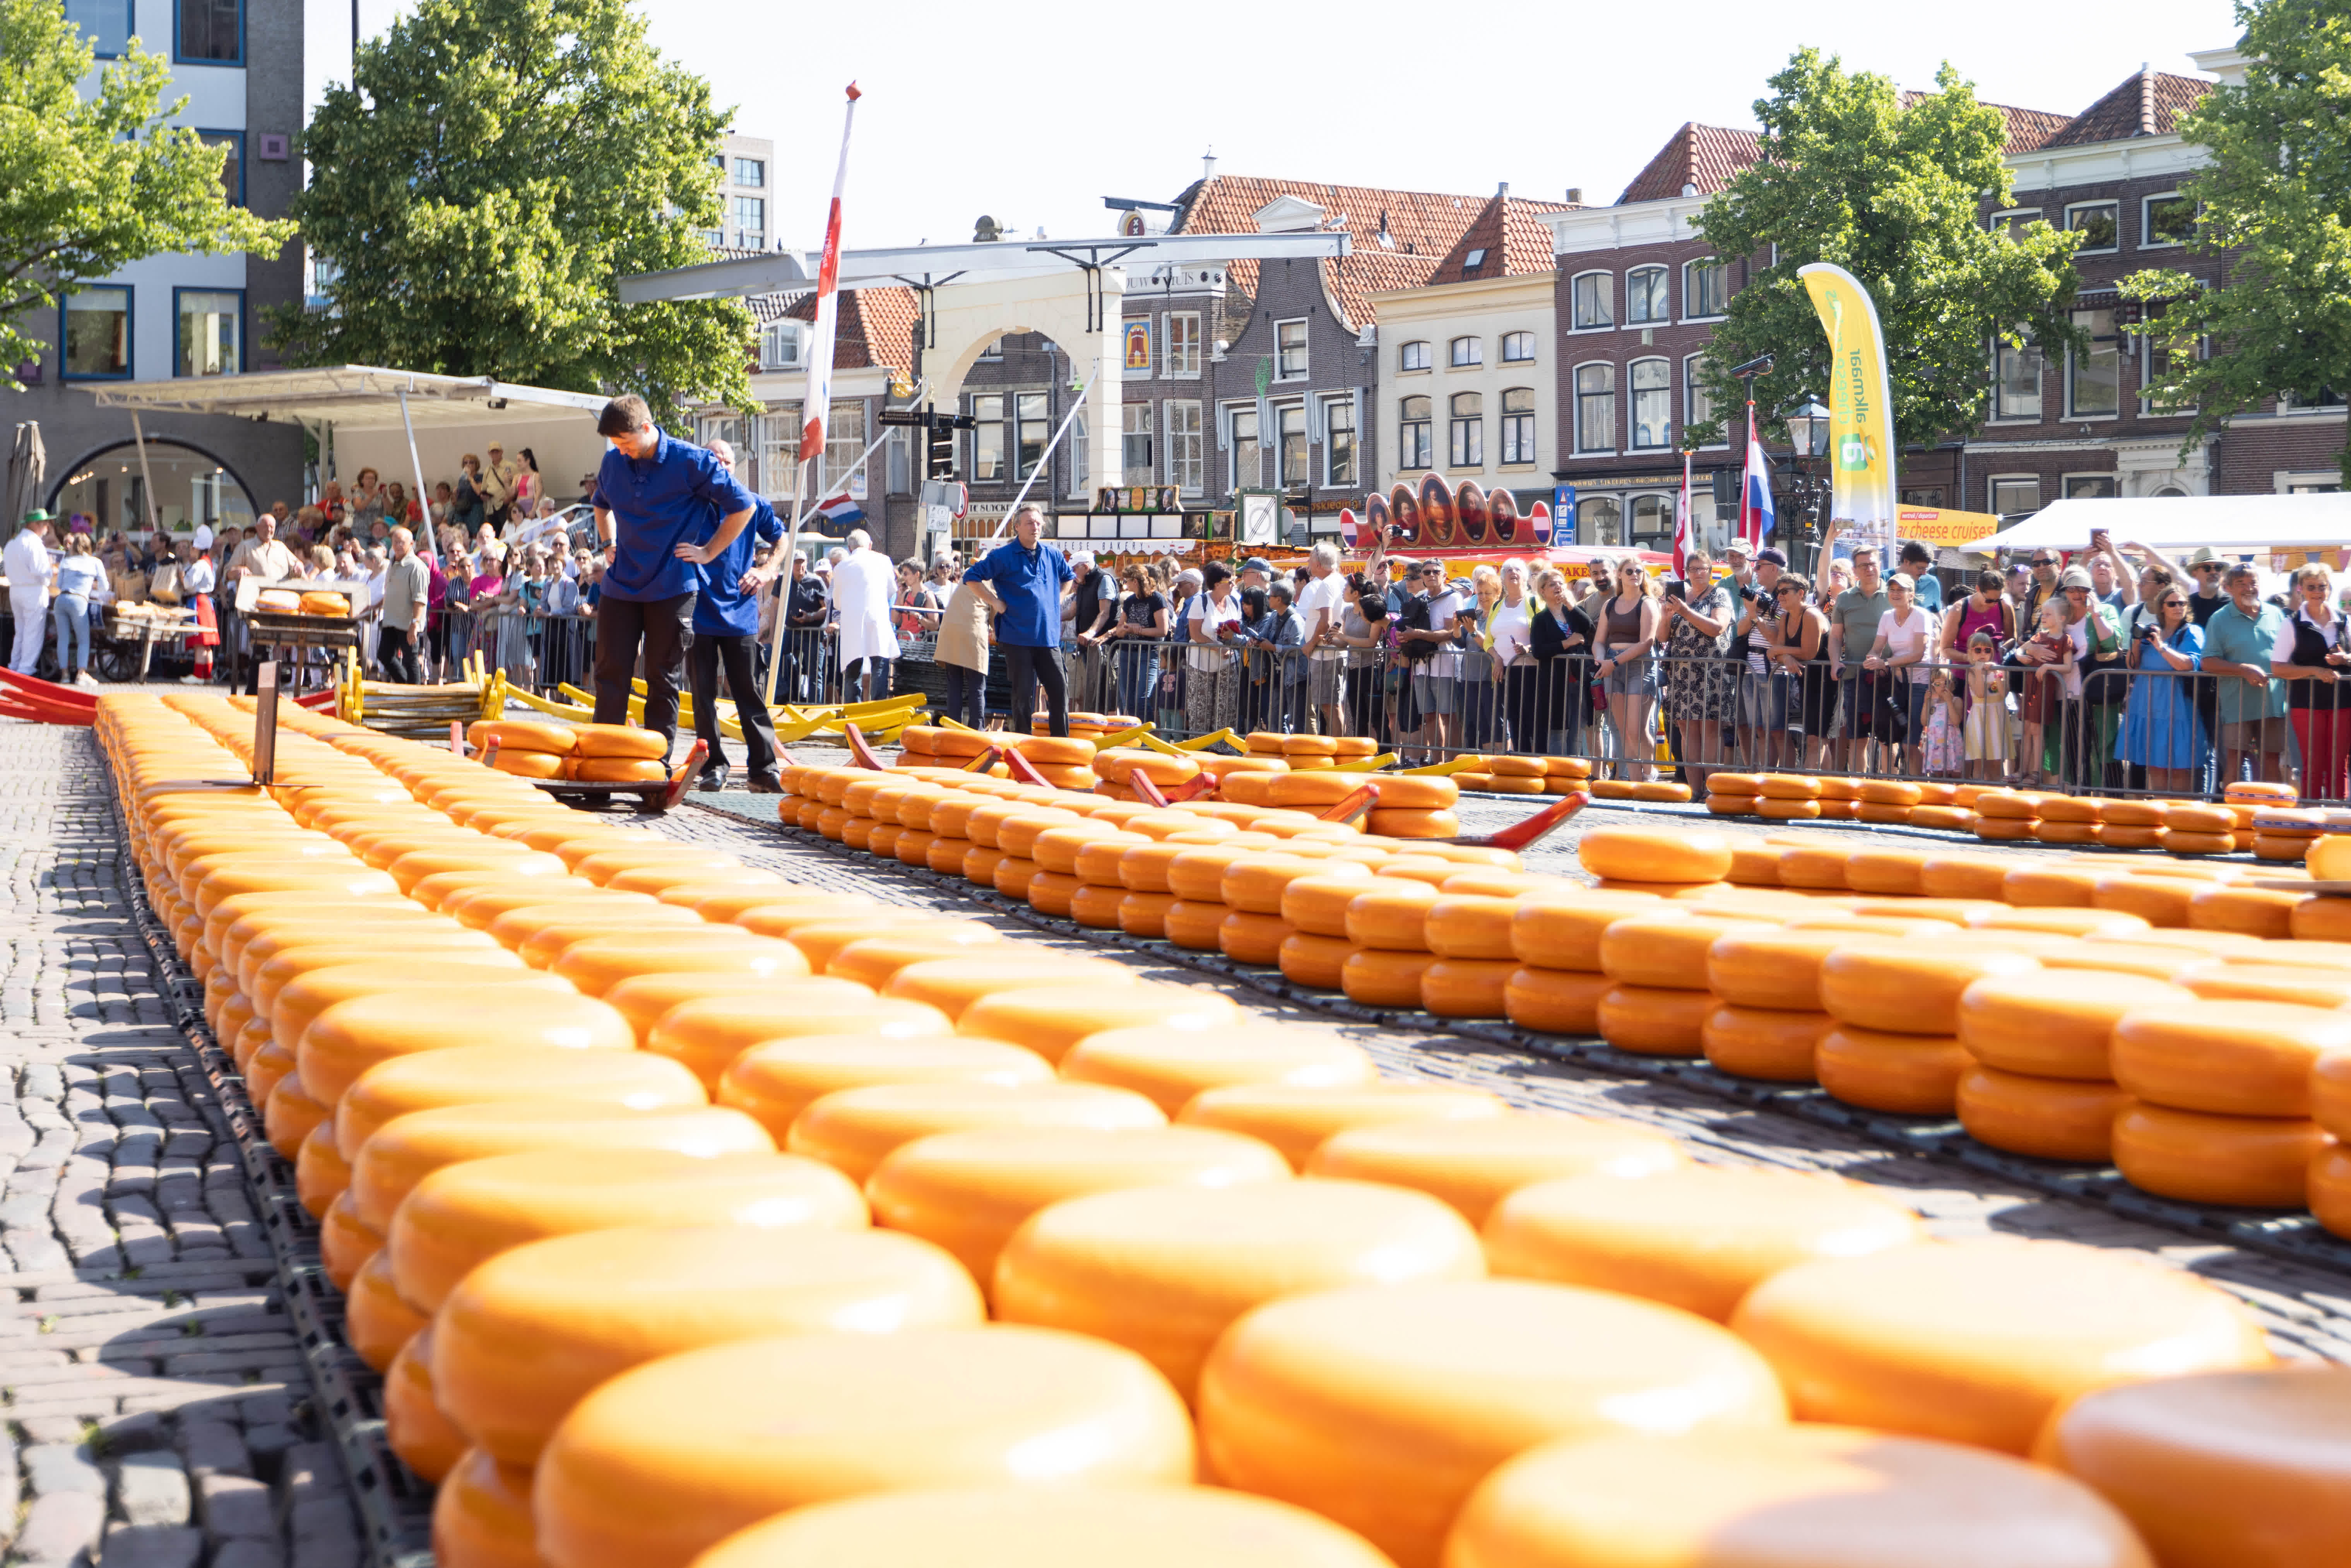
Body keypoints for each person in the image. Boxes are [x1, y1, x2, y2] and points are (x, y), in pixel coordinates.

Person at [589, 393, 756, 752]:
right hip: (620, 586)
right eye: (615, 444)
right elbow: (601, 504)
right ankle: (603, 759)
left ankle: (656, 765)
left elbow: (744, 506)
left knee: (662, 679)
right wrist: (608, 543)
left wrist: (708, 552)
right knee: (609, 675)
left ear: (647, 428)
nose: (620, 450)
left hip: (672, 586)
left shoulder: (692, 461)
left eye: (625, 442)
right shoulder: (613, 462)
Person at [687, 438, 785, 793]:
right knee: (702, 695)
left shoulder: (752, 502)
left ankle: (763, 768)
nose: (722, 466)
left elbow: (782, 539)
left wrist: (767, 571)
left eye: (727, 461)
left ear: (735, 467)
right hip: (697, 609)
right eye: (714, 460)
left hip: (740, 610)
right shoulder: (689, 502)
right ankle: (713, 766)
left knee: (749, 691)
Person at [963, 503, 1076, 738]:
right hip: (1017, 636)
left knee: (1060, 689)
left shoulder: (1053, 554)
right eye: (1029, 523)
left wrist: (1059, 598)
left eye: (1038, 523)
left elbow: (1069, 577)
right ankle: (1023, 741)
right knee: (1023, 695)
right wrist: (995, 602)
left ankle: (1060, 744)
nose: (1035, 527)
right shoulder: (1002, 556)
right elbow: (971, 577)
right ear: (1017, 527)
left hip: (1047, 636)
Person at [2118, 583, 2207, 795]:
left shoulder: (2192, 632)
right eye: (2172, 604)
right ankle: (2160, 812)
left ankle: (2179, 814)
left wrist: (2160, 646)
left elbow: (2187, 664)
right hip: (2147, 706)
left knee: (2180, 770)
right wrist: (2137, 642)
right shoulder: (2151, 632)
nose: (2178, 608)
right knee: (2155, 767)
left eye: (2182, 603)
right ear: (2162, 608)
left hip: (2178, 709)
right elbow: (2133, 666)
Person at [1660, 548, 1737, 786]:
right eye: (1693, 569)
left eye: (1702, 568)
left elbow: (1717, 628)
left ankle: (1712, 788)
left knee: (1710, 729)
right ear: (1687, 573)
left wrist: (1685, 611)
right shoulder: (1680, 597)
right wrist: (1666, 616)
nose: (1698, 573)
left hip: (1711, 671)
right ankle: (1694, 789)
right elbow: (1662, 637)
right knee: (1686, 729)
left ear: (1710, 571)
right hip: (1682, 672)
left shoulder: (1719, 594)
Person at [2276, 562, 2350, 801]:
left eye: (2322, 586)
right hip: (2305, 704)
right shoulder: (2292, 623)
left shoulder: (2345, 621)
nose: (2317, 592)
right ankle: (2311, 816)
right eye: (2312, 587)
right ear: (2301, 589)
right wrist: (2315, 671)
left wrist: (2345, 659)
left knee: (2339, 765)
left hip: (2343, 703)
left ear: (2329, 588)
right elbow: (2278, 667)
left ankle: (2338, 817)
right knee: (2313, 765)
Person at [1861, 571, 1939, 773]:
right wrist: (1872, 660)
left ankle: (1918, 785)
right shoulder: (1887, 617)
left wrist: (1885, 663)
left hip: (1921, 685)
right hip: (1897, 686)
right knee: (1889, 738)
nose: (1895, 594)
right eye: (1892, 590)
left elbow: (1919, 654)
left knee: (1910, 743)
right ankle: (1891, 785)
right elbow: (1876, 649)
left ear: (1911, 594)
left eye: (1901, 590)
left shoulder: (1922, 615)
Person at [1591, 557, 1660, 781]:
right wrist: (1601, 660)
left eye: (1639, 571)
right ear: (1619, 574)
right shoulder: (1610, 604)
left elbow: (1647, 643)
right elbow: (1599, 641)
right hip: (1612, 666)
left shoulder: (1648, 603)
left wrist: (1613, 663)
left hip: (1640, 666)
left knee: (1637, 730)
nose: (1634, 575)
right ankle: (1635, 782)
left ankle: (1649, 773)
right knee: (1624, 732)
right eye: (1629, 571)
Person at [1829, 544, 1891, 772]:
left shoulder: (1895, 594)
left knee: (1889, 740)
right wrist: (1835, 662)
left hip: (1889, 676)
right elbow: (1836, 637)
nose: (1869, 569)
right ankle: (1859, 788)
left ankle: (1890, 787)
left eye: (1873, 564)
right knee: (1858, 739)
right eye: (1863, 566)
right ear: (1855, 571)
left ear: (1880, 565)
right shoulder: (1844, 599)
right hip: (1855, 677)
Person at [1766, 573, 1835, 770]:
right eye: (1778, 592)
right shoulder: (1785, 617)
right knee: (1818, 739)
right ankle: (1827, 784)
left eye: (1785, 592)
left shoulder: (1812, 615)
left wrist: (1780, 652)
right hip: (1807, 682)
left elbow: (1809, 652)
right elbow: (1778, 653)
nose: (1780, 596)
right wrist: (1786, 657)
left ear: (1801, 594)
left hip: (1826, 682)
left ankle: (1806, 784)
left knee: (1816, 739)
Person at [827, 529, 900, 704]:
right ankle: (878, 709)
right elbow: (892, 591)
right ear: (870, 545)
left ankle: (853, 711)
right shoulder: (884, 561)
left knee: (853, 671)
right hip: (877, 619)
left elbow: (837, 602)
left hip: (852, 623)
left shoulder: (841, 568)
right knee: (879, 665)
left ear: (850, 548)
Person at [1528, 566, 1592, 757]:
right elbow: (1538, 651)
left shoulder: (1574, 611)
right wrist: (1567, 643)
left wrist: (1572, 606)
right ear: (1542, 591)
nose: (1558, 587)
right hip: (1555, 680)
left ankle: (1575, 768)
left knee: (1577, 730)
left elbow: (1589, 629)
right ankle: (1558, 768)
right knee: (1558, 730)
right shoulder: (1540, 619)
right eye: (1552, 584)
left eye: (1560, 583)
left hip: (1579, 678)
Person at [2016, 598, 2077, 788]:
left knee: (2037, 730)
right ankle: (2022, 771)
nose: (2044, 617)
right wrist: (2020, 656)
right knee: (2027, 729)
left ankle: (2035, 772)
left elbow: (2068, 666)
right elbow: (2020, 650)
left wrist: (2048, 667)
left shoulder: (2065, 640)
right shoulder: (2039, 636)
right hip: (2030, 687)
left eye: (2049, 614)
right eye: (2043, 613)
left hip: (2045, 690)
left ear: (2062, 618)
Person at [1182, 560, 1246, 736]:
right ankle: (1200, 744)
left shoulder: (1234, 602)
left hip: (1228, 664)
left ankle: (1224, 744)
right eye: (1230, 581)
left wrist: (1231, 644)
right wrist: (1218, 648)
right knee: (1200, 708)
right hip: (1201, 664)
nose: (1234, 584)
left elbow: (1237, 631)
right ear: (1217, 584)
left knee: (1226, 707)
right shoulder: (1200, 602)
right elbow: (1195, 634)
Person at [1295, 542, 1348, 737]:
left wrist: (1310, 645)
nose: (1308, 563)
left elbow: (1326, 621)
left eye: (1310, 559)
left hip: (1327, 655)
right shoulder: (1338, 581)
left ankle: (1339, 747)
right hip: (1330, 652)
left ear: (1318, 563)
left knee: (1330, 706)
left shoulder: (1326, 584)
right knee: (1331, 705)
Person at [1107, 560, 1167, 721]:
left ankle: (1146, 731)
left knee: (1143, 699)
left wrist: (1138, 630)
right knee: (1128, 700)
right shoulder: (1129, 601)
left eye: (1126, 581)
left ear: (1135, 581)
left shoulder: (1157, 599)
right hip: (1127, 653)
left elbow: (1163, 630)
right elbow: (1120, 630)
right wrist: (1125, 629)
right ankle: (1132, 730)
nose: (1124, 584)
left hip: (1148, 653)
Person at [935, 567, 992, 730]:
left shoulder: (968, 576)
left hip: (950, 633)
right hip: (973, 634)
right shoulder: (994, 581)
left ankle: (953, 729)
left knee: (954, 685)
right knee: (977, 686)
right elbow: (997, 616)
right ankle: (977, 730)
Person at [6, 512, 56, 675]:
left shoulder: (12, 543)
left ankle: (14, 666)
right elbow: (40, 571)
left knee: (20, 631)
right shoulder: (34, 543)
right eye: (45, 523)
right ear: (36, 525)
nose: (47, 527)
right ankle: (25, 670)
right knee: (33, 633)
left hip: (16, 590)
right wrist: (52, 570)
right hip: (33, 591)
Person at [50, 532, 104, 685]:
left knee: (63, 639)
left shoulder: (66, 561)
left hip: (61, 599)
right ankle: (81, 675)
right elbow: (105, 587)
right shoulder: (95, 562)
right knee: (83, 640)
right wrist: (91, 586)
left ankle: (65, 676)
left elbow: (59, 584)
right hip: (80, 600)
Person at [377, 527, 430, 684]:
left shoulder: (417, 567)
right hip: (391, 620)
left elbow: (420, 599)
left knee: (410, 659)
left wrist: (414, 624)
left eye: (402, 542)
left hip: (408, 623)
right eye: (396, 542)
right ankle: (405, 685)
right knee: (384, 655)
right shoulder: (393, 562)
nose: (398, 545)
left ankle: (414, 692)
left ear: (412, 544)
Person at [1961, 629, 2010, 781]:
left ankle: (1998, 791)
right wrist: (1978, 673)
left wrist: (1997, 674)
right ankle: (1978, 791)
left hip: (1997, 716)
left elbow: (2004, 694)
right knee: (1979, 761)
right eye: (1978, 650)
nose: (1983, 653)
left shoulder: (1999, 670)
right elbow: (1981, 694)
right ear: (1971, 652)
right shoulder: (1971, 673)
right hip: (1979, 717)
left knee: (1997, 760)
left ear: (1992, 652)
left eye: (1987, 650)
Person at [1920, 667, 1964, 777]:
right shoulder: (1932, 703)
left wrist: (1949, 702)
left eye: (1946, 683)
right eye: (1938, 684)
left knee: (1954, 773)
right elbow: (1924, 722)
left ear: (1952, 684)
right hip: (1935, 743)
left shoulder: (1956, 701)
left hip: (1951, 742)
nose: (1943, 686)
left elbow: (1956, 722)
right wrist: (1925, 703)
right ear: (1933, 687)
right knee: (1937, 774)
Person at [1894, 541, 1944, 614]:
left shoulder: (1932, 583)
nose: (1924, 573)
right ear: (1906, 562)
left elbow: (1938, 616)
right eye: (1920, 568)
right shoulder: (1884, 579)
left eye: (1926, 569)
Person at [481, 445, 518, 527]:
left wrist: (509, 499)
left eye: (497, 451)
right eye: (492, 452)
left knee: (509, 530)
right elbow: (484, 489)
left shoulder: (510, 466)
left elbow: (519, 485)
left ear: (502, 452)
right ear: (489, 454)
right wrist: (484, 496)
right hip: (491, 508)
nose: (495, 454)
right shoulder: (488, 470)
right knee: (495, 532)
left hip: (506, 506)